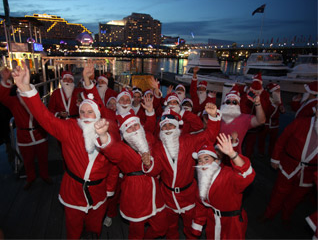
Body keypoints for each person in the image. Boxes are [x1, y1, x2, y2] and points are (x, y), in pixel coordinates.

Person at [11, 60, 120, 239]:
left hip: (99, 192)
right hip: (73, 192)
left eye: (90, 112)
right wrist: (26, 89)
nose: (85, 115)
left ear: (99, 114)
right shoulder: (70, 128)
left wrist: (109, 189)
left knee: (94, 229)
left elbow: (115, 163)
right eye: (82, 112)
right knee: (73, 231)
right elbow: (44, 117)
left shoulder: (111, 130)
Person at [141, 103, 221, 239]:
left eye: (170, 125)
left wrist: (213, 117)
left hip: (188, 195)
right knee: (171, 228)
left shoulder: (188, 140)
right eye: (164, 126)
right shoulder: (158, 147)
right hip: (167, 196)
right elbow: (155, 172)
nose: (167, 128)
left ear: (177, 126)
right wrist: (148, 165)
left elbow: (209, 136)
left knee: (190, 228)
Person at [94, 100, 167, 239]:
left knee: (161, 227)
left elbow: (159, 164)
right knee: (136, 233)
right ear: (123, 132)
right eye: (129, 127)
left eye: (136, 125)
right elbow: (111, 151)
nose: (134, 129)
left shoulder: (149, 139)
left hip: (153, 190)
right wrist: (103, 136)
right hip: (135, 193)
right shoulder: (121, 148)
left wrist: (150, 164)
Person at [191, 134, 255, 239]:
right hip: (212, 221)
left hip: (232, 223)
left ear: (216, 161)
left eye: (206, 159)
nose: (202, 164)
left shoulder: (227, 174)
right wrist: (198, 223)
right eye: (200, 160)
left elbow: (246, 175)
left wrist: (232, 154)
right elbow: (201, 204)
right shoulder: (203, 180)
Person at [0, 67, 52, 190]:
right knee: (28, 160)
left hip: (39, 134)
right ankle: (30, 177)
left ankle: (45, 175)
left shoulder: (36, 99)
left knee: (43, 158)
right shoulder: (14, 102)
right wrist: (5, 80)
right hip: (24, 136)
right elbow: (2, 98)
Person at [260, 111, 318, 225]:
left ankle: (286, 216)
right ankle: (269, 214)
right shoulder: (300, 123)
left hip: (310, 173)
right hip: (289, 165)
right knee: (279, 192)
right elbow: (282, 139)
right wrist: (275, 158)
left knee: (296, 197)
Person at [219, 84, 266, 157]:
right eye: (228, 102)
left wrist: (257, 104)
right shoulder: (217, 116)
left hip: (235, 156)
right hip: (216, 155)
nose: (231, 104)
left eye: (234, 102)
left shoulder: (244, 118)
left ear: (238, 104)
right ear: (224, 103)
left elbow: (261, 121)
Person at [258, 83, 285, 157]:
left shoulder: (278, 98)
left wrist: (282, 109)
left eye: (279, 90)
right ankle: (261, 152)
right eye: (277, 90)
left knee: (273, 140)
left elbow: (281, 107)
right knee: (262, 138)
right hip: (266, 122)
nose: (278, 92)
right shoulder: (265, 99)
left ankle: (271, 153)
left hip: (275, 123)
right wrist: (274, 105)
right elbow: (265, 111)